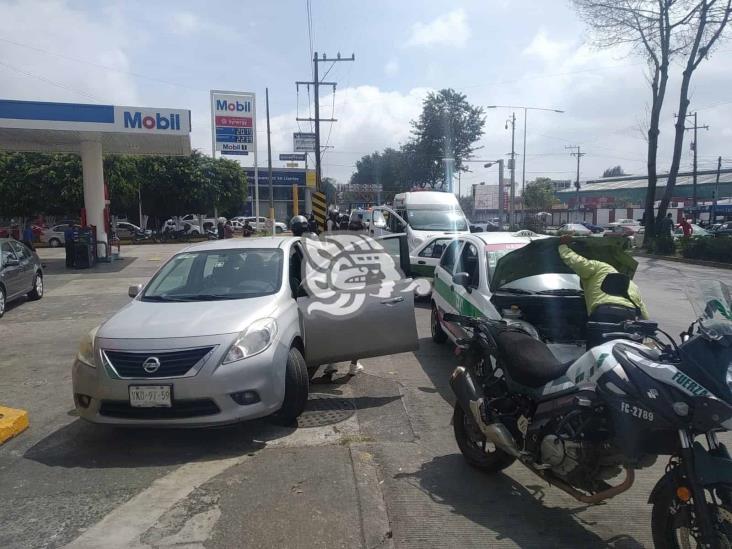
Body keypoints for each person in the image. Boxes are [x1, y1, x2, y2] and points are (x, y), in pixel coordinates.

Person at [558, 235, 648, 345]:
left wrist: (563, 247)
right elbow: (642, 311)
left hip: (605, 312)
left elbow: (579, 263)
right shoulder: (630, 283)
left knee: (597, 353)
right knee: (624, 354)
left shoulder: (600, 266)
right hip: (629, 316)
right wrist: (647, 334)